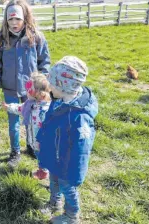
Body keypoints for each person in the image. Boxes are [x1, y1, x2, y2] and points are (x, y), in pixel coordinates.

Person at [36, 56, 98, 224]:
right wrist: (40, 138)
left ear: (65, 86)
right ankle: (55, 202)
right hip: (56, 155)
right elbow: (48, 121)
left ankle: (71, 216)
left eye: (53, 84)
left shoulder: (79, 117)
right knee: (54, 179)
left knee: (67, 187)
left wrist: (75, 174)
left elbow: (82, 149)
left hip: (68, 163)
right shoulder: (59, 100)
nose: (49, 87)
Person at [0, 0, 51, 167]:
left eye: (18, 19)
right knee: (13, 123)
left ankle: (31, 146)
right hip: (10, 89)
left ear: (25, 18)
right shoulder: (2, 40)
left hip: (31, 91)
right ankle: (15, 151)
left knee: (32, 120)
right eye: (10, 19)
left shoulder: (36, 37)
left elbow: (44, 62)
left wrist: (41, 84)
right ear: (6, 20)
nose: (14, 23)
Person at [2, 73, 50, 179]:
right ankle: (43, 171)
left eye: (28, 89)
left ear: (38, 93)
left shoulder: (47, 109)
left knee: (46, 158)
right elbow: (20, 108)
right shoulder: (30, 104)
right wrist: (9, 107)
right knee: (39, 156)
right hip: (35, 140)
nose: (26, 91)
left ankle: (50, 176)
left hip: (45, 142)